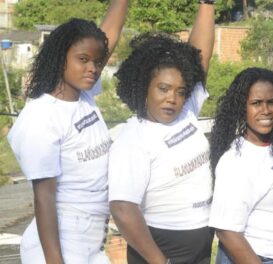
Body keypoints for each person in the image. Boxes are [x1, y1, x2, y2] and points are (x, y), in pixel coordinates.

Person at [7, 1, 127, 263]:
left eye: (97, 62)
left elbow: (109, 34)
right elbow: (44, 198)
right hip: (59, 242)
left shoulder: (83, 95)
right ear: (61, 57)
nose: (93, 68)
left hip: (93, 239)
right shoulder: (42, 116)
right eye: (83, 60)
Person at [107, 2, 215, 264]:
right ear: (144, 87)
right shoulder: (133, 140)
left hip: (201, 243)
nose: (172, 99)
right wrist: (160, 261)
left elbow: (200, 58)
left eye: (179, 91)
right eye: (163, 89)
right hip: (162, 248)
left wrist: (207, 5)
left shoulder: (186, 111)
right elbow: (122, 209)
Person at [208, 1, 273, 263]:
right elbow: (228, 232)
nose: (265, 110)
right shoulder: (235, 163)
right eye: (256, 103)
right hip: (261, 257)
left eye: (272, 102)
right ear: (241, 108)